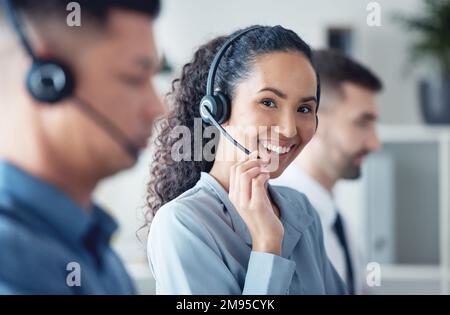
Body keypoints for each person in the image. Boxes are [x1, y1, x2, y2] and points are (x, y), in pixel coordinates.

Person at [146, 25, 347, 295]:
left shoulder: (301, 210)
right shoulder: (182, 223)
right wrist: (267, 244)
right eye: (268, 102)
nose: (289, 129)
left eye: (304, 109)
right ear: (218, 109)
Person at [0, 0, 164, 294]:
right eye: (135, 77)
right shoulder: (10, 267)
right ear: (48, 81)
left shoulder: (96, 249)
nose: (158, 108)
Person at [272, 49, 383, 294]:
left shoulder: (341, 224)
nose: (375, 143)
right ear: (313, 118)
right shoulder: (276, 222)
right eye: (362, 123)